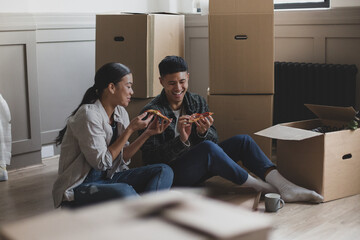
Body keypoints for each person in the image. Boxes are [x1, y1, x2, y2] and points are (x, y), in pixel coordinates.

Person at [139, 56, 323, 203]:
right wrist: (181, 141)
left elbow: (215, 143)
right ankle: (265, 189)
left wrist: (204, 132)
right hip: (173, 177)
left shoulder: (196, 101)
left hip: (200, 166)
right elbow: (151, 160)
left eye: (181, 81)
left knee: (243, 140)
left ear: (188, 77)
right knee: (207, 149)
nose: (178, 88)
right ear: (161, 81)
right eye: (171, 83)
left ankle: (283, 186)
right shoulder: (152, 112)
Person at [52, 62, 173, 208]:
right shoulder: (88, 115)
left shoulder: (120, 112)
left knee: (164, 170)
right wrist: (129, 130)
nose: (132, 92)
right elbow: (101, 162)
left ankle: (145, 212)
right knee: (123, 190)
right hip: (82, 187)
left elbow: (123, 157)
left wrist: (147, 134)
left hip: (109, 178)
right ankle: (147, 216)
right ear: (111, 87)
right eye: (128, 86)